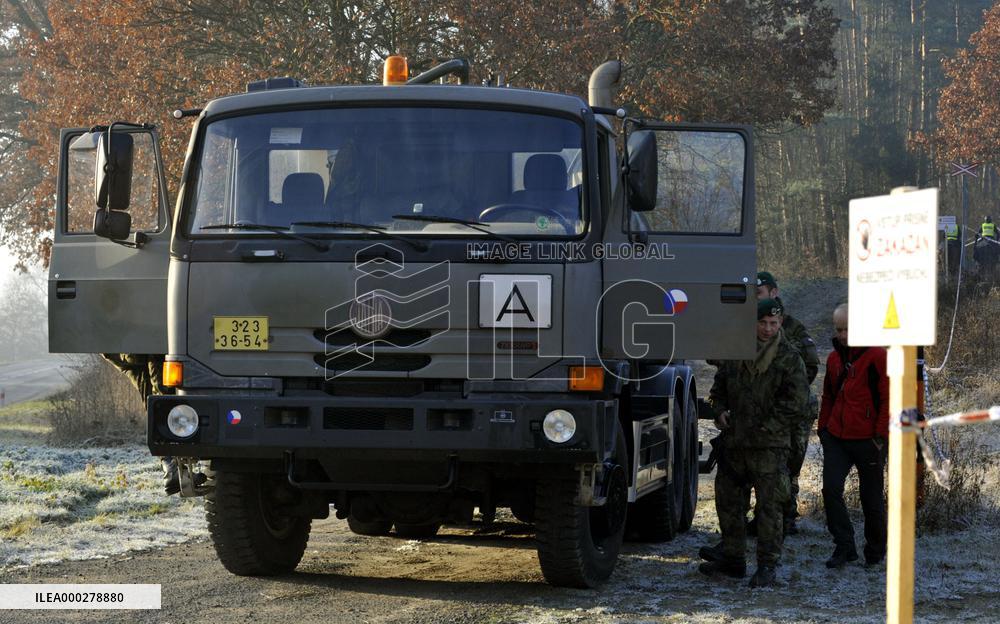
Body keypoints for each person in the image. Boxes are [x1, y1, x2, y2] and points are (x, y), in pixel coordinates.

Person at [698, 298, 809, 588]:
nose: (768, 329)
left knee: (770, 507)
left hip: (770, 447)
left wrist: (765, 427)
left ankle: (767, 566)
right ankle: (733, 559)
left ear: (780, 323)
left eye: (774, 323)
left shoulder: (789, 357)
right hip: (735, 443)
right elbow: (718, 388)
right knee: (729, 503)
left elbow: (796, 402)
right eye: (762, 323)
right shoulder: (736, 351)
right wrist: (719, 410)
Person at [817, 303, 889, 568]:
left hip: (869, 440)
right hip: (836, 437)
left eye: (848, 329)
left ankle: (875, 551)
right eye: (839, 330)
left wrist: (880, 436)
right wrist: (823, 429)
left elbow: (888, 398)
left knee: (871, 499)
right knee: (831, 490)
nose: (843, 335)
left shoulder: (879, 356)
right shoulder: (834, 358)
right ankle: (844, 546)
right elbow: (827, 395)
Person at [753, 271, 819, 535]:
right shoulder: (749, 327)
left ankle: (786, 518)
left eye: (758, 294)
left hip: (794, 412)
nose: (754, 299)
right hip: (759, 412)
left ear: (773, 292)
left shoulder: (791, 327)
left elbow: (811, 366)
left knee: (788, 466)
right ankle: (763, 519)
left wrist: (787, 391)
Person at [101, 354, 182, 495]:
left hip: (132, 354)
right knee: (160, 399)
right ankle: (172, 466)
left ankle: (173, 467)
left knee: (155, 401)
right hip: (135, 352)